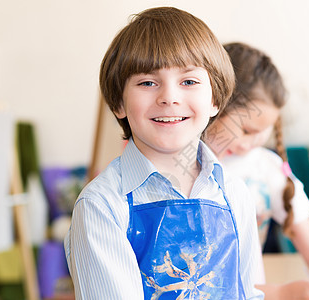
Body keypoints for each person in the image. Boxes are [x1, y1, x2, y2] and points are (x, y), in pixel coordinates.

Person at [64, 8, 264, 299]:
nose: (169, 97)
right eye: (147, 82)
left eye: (189, 82)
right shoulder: (101, 206)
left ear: (215, 100)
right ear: (118, 103)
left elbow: (250, 293)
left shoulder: (235, 194)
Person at [204, 42, 309, 300]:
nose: (251, 143)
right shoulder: (180, 170)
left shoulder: (266, 169)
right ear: (214, 106)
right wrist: (282, 294)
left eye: (263, 132)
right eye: (246, 130)